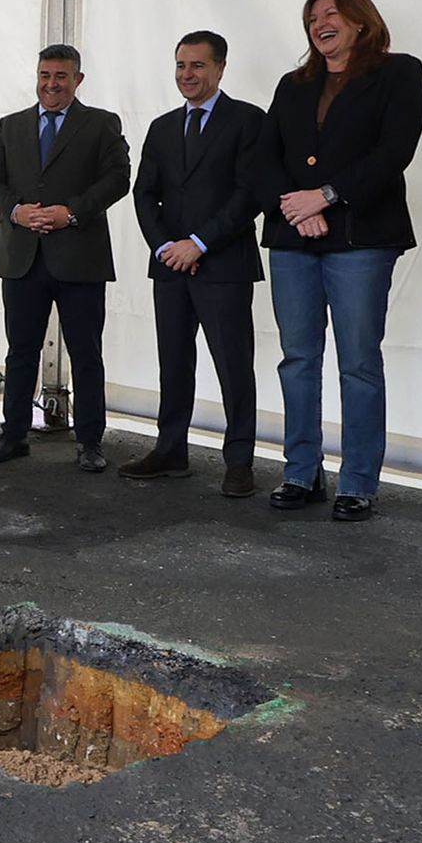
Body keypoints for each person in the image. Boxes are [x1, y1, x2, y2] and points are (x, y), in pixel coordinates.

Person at [257, 0, 422, 522]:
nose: (320, 23)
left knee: (358, 362)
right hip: (293, 239)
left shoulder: (399, 72)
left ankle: (358, 482)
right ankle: (300, 472)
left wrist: (325, 197)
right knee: (298, 359)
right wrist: (296, 208)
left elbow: (394, 151)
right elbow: (264, 156)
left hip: (361, 237)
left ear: (360, 21)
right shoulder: (293, 83)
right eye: (311, 17)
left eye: (331, 13)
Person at [0, 43, 131, 473]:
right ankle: (13, 434)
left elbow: (118, 177)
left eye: (61, 76)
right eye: (45, 75)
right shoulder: (11, 126)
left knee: (86, 352)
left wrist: (72, 212)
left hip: (79, 256)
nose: (51, 84)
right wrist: (15, 210)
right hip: (22, 257)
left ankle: (90, 441)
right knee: (20, 350)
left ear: (78, 80)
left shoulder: (101, 124)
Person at [125, 30, 265, 497]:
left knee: (233, 364)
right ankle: (171, 450)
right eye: (181, 65)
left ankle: (240, 460)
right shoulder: (163, 126)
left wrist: (199, 244)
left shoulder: (247, 121)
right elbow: (144, 193)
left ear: (221, 68)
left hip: (223, 264)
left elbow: (251, 193)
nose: (188, 75)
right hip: (169, 265)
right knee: (174, 361)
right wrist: (167, 245)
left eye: (198, 66)